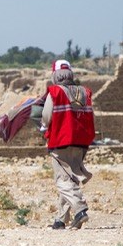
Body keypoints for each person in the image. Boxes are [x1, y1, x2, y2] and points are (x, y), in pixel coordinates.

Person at [40, 59, 95, 229]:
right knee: (70, 178)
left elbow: (46, 116)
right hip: (80, 141)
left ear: (55, 75)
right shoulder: (84, 92)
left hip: (61, 140)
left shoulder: (55, 92)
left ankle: (80, 210)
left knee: (62, 180)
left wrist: (43, 127)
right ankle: (61, 219)